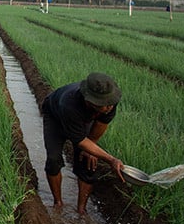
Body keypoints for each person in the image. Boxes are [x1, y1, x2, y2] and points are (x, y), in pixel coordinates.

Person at [40, 72, 125, 214]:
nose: (109, 107)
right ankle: (58, 203)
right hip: (55, 117)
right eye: (104, 104)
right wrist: (111, 159)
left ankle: (81, 210)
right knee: (53, 160)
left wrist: (91, 145)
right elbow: (79, 140)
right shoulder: (69, 104)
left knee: (88, 162)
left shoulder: (110, 102)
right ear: (89, 101)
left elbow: (101, 123)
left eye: (110, 103)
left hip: (82, 119)